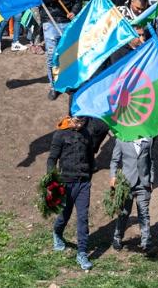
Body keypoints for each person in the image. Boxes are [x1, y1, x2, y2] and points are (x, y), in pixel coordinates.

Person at [47, 116, 110, 271]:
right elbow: (52, 159)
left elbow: (90, 156)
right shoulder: (60, 134)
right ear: (71, 118)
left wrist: (89, 176)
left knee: (83, 217)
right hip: (66, 182)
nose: (80, 125)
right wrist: (51, 180)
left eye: (83, 122)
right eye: (77, 121)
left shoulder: (87, 134)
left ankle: (82, 253)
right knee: (65, 215)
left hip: (83, 183)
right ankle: (57, 233)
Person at [36, 0, 83, 100]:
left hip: (67, 21)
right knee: (51, 56)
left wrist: (74, 12)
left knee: (68, 55)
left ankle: (68, 83)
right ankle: (54, 86)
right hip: (49, 20)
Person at [110, 136, 155, 256]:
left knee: (144, 212)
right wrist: (113, 176)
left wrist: (151, 179)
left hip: (143, 184)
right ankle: (117, 237)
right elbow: (115, 160)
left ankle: (146, 243)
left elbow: (151, 160)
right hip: (126, 183)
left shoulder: (148, 141)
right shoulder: (122, 140)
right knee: (124, 212)